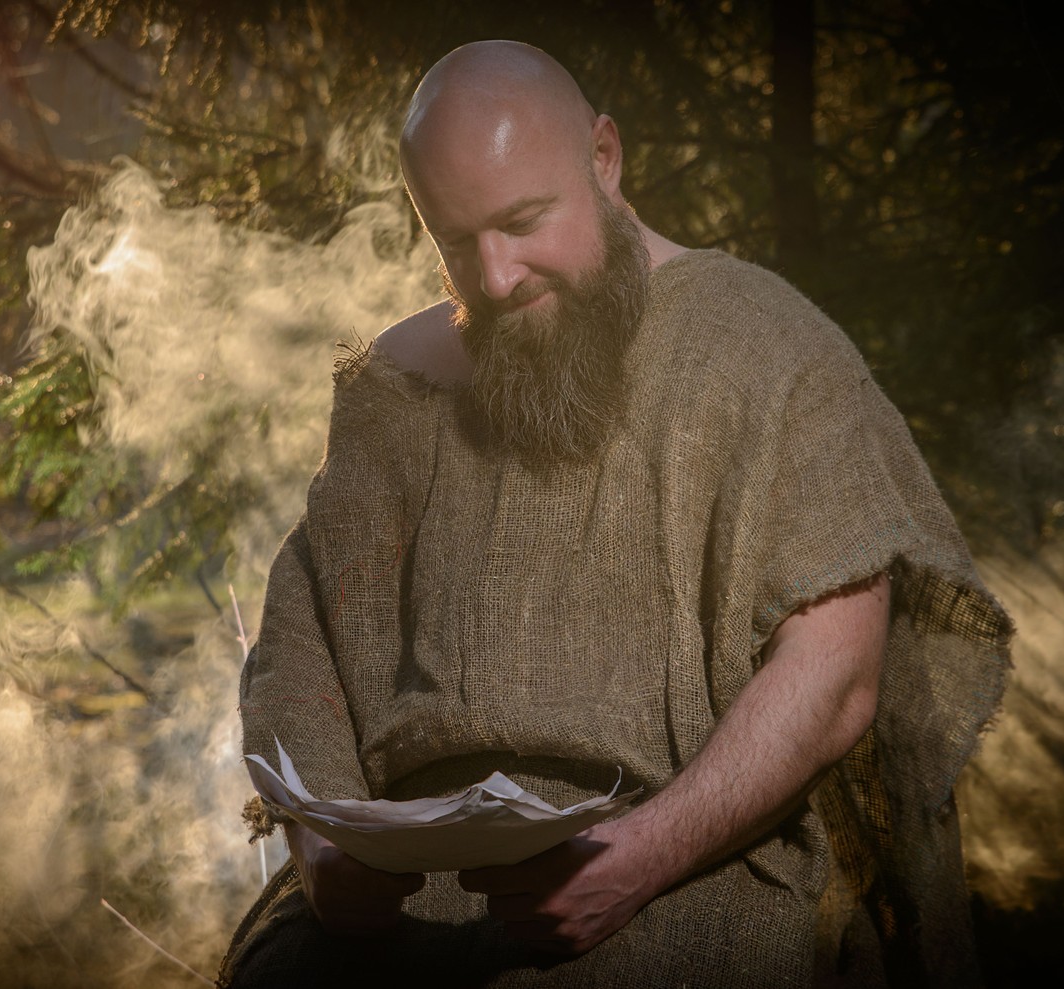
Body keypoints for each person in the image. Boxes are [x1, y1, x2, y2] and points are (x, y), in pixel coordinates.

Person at [220, 40, 1011, 988]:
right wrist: (321, 845)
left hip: (680, 873)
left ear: (604, 159)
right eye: (457, 241)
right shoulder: (397, 385)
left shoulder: (769, 348)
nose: (499, 275)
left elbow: (835, 674)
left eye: (522, 221)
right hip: (399, 896)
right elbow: (296, 645)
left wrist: (632, 861)